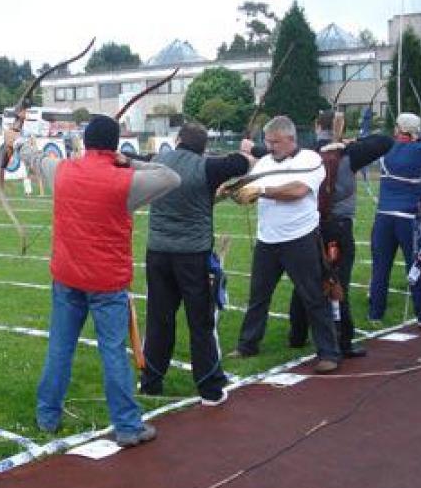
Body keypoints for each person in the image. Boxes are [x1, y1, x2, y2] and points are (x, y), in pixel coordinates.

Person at [15, 114, 181, 446]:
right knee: (113, 352)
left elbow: (34, 157)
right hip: (107, 283)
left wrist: (16, 142)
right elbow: (171, 177)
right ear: (115, 145)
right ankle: (128, 427)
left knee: (60, 348)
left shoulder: (63, 170)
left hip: (67, 278)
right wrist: (127, 162)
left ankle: (48, 416)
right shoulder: (127, 181)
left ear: (85, 142)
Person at [139, 122, 251, 406]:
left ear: (177, 141)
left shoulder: (157, 162)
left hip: (158, 253)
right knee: (200, 321)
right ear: (202, 147)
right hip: (192, 256)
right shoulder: (207, 167)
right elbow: (240, 163)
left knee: (159, 319)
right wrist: (247, 149)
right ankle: (210, 388)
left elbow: (131, 163)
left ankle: (151, 382)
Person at [225, 115, 341, 373]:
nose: (270, 147)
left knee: (313, 296)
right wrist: (234, 191)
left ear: (290, 138)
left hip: (300, 239)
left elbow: (298, 190)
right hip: (267, 240)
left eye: (275, 142)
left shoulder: (310, 160)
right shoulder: (264, 162)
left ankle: (329, 353)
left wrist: (263, 191)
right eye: (267, 141)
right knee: (258, 296)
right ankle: (247, 345)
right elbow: (249, 190)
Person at [280, 111, 392, 357]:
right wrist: (352, 143)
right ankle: (342, 341)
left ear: (317, 126)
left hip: (308, 226)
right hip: (337, 227)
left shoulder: (304, 152)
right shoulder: (347, 153)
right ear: (338, 127)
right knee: (336, 282)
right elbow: (385, 141)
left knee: (305, 280)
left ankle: (297, 335)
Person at [368, 113, 421, 329]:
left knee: (380, 268)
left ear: (397, 129)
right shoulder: (419, 149)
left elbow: (366, 136)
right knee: (416, 266)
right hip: (408, 219)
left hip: (383, 216)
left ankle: (375, 313)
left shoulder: (386, 148)